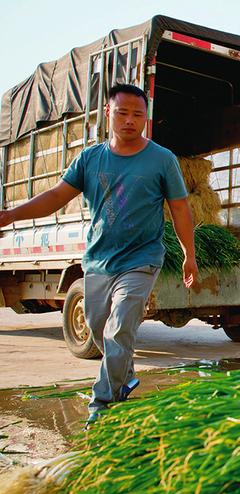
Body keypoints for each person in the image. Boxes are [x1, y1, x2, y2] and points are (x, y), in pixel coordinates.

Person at [0, 83, 198, 424]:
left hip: (142, 259)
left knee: (120, 326)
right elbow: (55, 196)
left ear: (146, 119)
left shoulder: (161, 160)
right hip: (98, 261)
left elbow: (180, 209)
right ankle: (125, 376)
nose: (129, 121)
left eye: (138, 115)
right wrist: (12, 214)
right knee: (97, 328)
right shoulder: (90, 159)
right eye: (122, 113)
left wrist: (188, 254)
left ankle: (102, 402)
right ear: (108, 114)